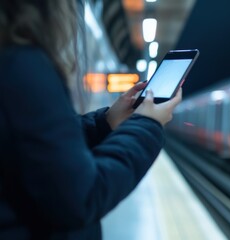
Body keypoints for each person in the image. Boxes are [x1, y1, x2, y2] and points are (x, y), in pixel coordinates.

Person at [0, 0, 181, 239]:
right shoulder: (22, 66)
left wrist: (105, 122)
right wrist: (148, 124)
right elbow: (81, 197)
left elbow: (31, 141)